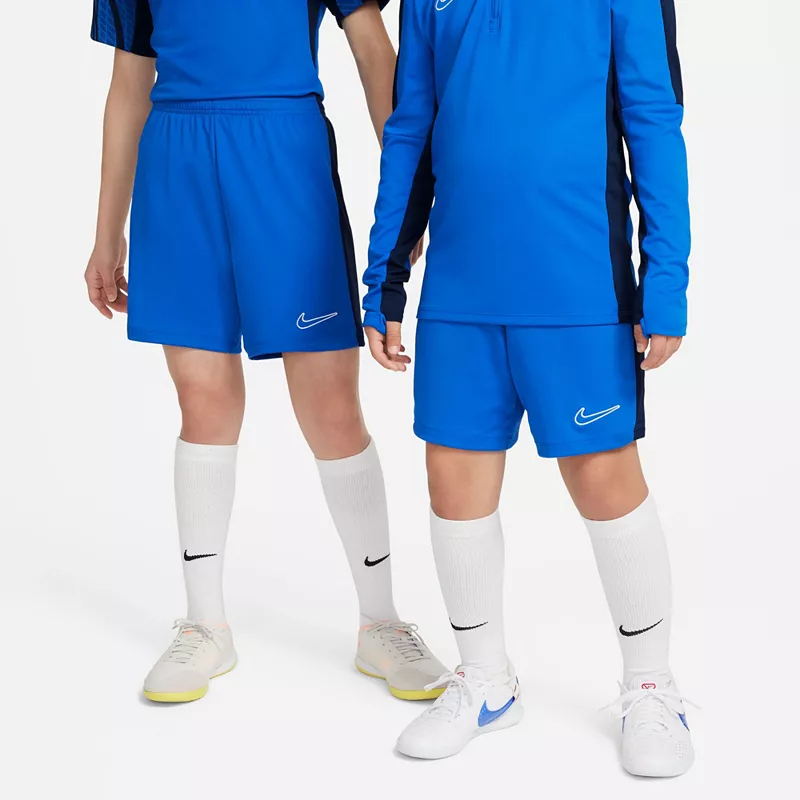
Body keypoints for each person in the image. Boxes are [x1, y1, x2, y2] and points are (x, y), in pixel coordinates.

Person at [365, 0, 694, 777]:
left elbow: (654, 121)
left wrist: (666, 280)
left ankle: (652, 686)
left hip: (577, 281)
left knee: (604, 476)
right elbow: (412, 126)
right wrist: (386, 273)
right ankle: (485, 680)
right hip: (462, 286)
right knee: (452, 475)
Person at [85, 0, 444, 705]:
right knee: (202, 399)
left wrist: (408, 195)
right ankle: (204, 623)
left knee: (332, 406)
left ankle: (381, 621)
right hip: (176, 159)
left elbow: (374, 51)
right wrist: (106, 232)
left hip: (284, 153)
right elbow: (129, 82)